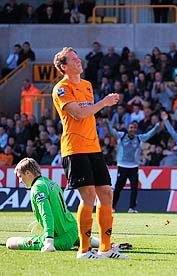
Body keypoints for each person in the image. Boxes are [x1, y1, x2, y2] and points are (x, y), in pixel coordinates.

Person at [52, 47, 128, 259]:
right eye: (74, 60)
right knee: (88, 196)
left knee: (106, 193)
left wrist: (100, 103)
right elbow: (78, 114)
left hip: (93, 147)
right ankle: (84, 250)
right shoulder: (61, 89)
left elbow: (88, 113)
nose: (79, 62)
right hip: (74, 148)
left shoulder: (86, 85)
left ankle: (106, 248)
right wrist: (103, 102)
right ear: (64, 67)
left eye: (78, 58)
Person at [7, 158, 131, 253]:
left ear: (28, 173)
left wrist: (49, 239)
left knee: (10, 242)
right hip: (73, 230)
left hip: (62, 239)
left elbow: (46, 213)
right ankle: (107, 244)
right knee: (76, 238)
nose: (20, 181)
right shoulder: (50, 182)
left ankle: (54, 241)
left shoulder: (37, 188)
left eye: (20, 176)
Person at [104, 119, 161, 213]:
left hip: (134, 167)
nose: (132, 129)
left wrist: (156, 127)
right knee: (118, 187)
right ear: (128, 129)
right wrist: (107, 123)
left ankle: (132, 208)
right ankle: (112, 206)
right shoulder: (122, 136)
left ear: (136, 130)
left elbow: (150, 134)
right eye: (131, 127)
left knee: (134, 188)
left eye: (134, 128)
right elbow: (112, 132)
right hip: (122, 166)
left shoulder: (139, 138)